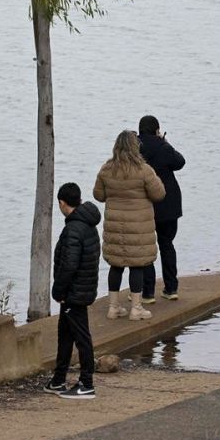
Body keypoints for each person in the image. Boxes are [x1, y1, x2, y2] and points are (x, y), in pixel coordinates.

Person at [93, 130, 165, 322]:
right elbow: (159, 194)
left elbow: (98, 195)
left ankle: (113, 307)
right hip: (138, 228)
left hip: (115, 227)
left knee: (116, 266)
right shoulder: (144, 170)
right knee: (136, 266)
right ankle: (136, 308)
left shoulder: (107, 169)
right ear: (136, 147)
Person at [47, 182, 101, 399]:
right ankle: (58, 379)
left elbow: (69, 264)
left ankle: (87, 383)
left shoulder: (73, 229)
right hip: (83, 288)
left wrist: (58, 291)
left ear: (62, 202)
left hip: (74, 292)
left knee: (81, 337)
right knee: (65, 334)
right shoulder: (88, 224)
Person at [138, 114, 187, 301]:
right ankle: (171, 288)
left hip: (146, 205)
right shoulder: (163, 146)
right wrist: (165, 142)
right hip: (168, 204)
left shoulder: (135, 148)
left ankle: (147, 292)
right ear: (157, 130)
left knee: (146, 249)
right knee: (167, 245)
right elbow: (180, 162)